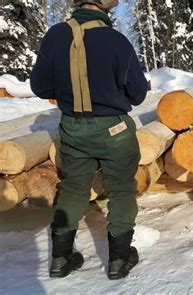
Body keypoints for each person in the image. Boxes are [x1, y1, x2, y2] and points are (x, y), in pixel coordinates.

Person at [30, 0, 148, 280]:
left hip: (72, 127)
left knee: (72, 188)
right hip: (113, 130)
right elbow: (138, 93)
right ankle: (118, 261)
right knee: (120, 189)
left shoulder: (56, 35)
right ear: (107, 7)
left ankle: (61, 258)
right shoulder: (117, 41)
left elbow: (40, 86)